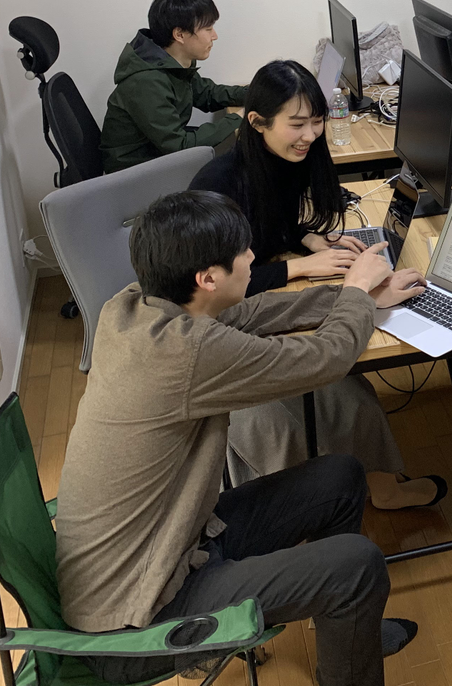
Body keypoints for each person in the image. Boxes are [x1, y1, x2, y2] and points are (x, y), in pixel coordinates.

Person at [55, 190, 427, 685]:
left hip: (173, 545)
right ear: (208, 278)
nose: (253, 256)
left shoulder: (129, 308)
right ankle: (349, 629)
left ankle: (349, 632)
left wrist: (357, 299)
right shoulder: (188, 354)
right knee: (357, 565)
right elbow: (327, 360)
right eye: (243, 251)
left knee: (340, 477)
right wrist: (356, 294)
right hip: (137, 616)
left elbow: (247, 315)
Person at [191, 59, 446, 511]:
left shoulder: (276, 160)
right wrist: (304, 270)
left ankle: (383, 490)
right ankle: (342, 501)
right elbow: (222, 286)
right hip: (219, 330)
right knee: (343, 391)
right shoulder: (220, 186)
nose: (310, 135)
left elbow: (265, 226)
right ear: (257, 122)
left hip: (242, 316)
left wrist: (306, 240)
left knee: (350, 392)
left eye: (316, 120)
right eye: (297, 124)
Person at [100, 0, 247, 173]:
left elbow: (207, 94)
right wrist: (238, 118)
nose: (214, 36)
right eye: (208, 28)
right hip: (133, 171)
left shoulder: (174, 63)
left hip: (157, 154)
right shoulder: (147, 81)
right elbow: (180, 147)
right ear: (179, 35)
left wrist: (254, 92)